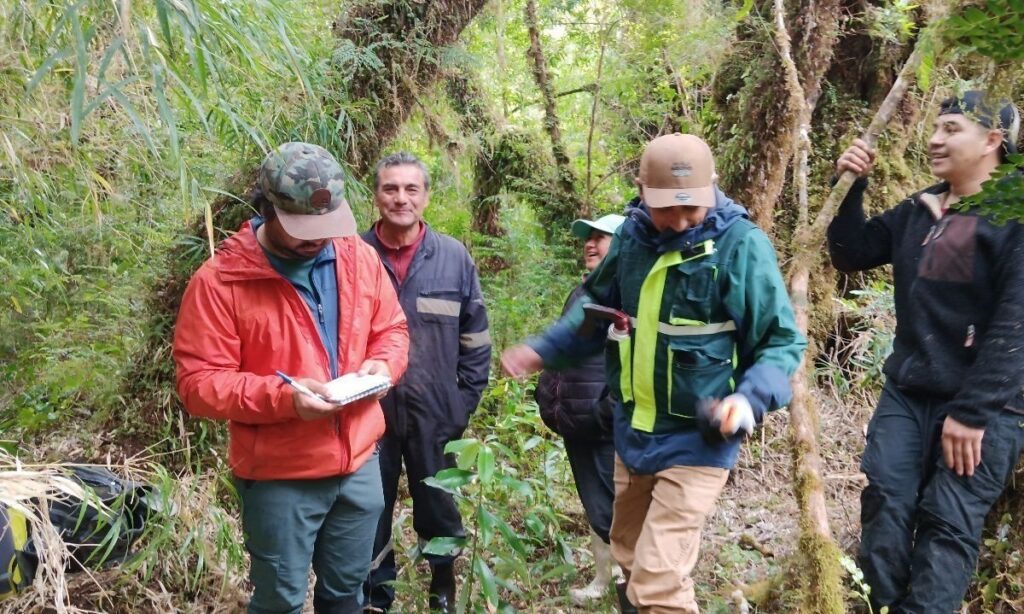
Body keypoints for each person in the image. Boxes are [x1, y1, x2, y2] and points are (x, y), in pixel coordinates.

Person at [502, 133, 805, 613]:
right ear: (641, 189)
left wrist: (747, 399)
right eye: (668, 209)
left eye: (692, 208)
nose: (681, 221)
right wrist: (543, 350)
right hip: (634, 434)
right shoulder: (630, 240)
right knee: (629, 553)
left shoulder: (740, 247)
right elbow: (593, 315)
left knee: (658, 582)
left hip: (699, 443)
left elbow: (781, 340)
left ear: (712, 188)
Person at [173, 142, 410, 614]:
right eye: (303, 229)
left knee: (347, 592)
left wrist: (384, 365)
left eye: (327, 227)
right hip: (281, 474)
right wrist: (286, 398)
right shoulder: (222, 281)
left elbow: (392, 330)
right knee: (279, 600)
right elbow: (198, 384)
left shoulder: (356, 257)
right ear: (267, 208)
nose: (317, 239)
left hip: (360, 462)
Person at [828, 91, 1024, 613]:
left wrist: (972, 412)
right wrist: (850, 188)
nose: (935, 139)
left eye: (952, 128)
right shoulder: (922, 208)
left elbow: (1017, 321)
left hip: (985, 407)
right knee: (886, 502)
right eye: (936, 128)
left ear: (992, 140)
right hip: (909, 392)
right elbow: (851, 253)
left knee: (947, 522)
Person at [360, 152, 491, 613]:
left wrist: (462, 403)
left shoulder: (453, 257)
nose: (401, 198)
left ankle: (443, 587)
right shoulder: (352, 254)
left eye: (411, 189)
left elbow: (476, 337)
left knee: (438, 505)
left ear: (426, 196)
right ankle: (377, 597)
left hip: (436, 412)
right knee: (368, 509)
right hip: (368, 413)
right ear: (375, 195)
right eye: (390, 188)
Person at [534, 213, 626, 605]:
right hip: (577, 422)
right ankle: (604, 580)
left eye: (600, 238)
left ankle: (630, 591)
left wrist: (605, 411)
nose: (590, 244)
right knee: (595, 507)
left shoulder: (627, 292)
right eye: (587, 238)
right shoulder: (584, 290)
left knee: (616, 511)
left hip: (604, 425)